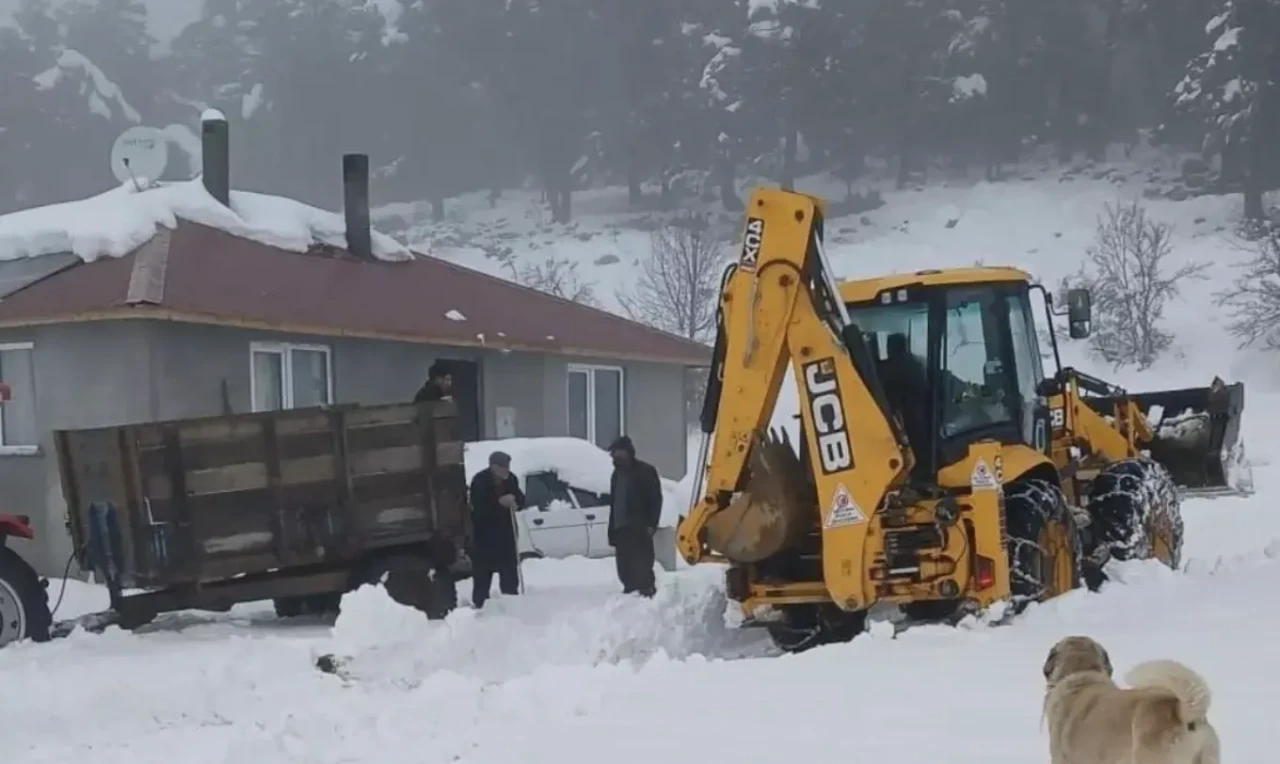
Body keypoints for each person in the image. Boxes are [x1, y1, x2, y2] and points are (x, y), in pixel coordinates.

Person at [606, 435, 662, 598]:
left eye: (618, 455)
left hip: (640, 528)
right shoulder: (616, 475)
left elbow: (655, 499)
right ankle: (629, 591)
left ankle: (646, 592)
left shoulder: (645, 472)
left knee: (642, 563)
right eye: (613, 456)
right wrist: (612, 530)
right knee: (624, 566)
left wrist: (652, 524)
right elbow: (614, 503)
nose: (615, 459)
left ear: (628, 453)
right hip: (620, 528)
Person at [468, 450, 524, 608]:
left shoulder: (511, 479)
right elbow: (478, 506)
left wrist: (515, 501)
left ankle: (512, 603)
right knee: (482, 575)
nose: (506, 470)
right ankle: (480, 607)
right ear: (493, 467)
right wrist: (499, 503)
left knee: (509, 574)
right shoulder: (480, 480)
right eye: (503, 467)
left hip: (506, 536)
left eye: (507, 466)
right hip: (484, 536)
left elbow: (521, 498)